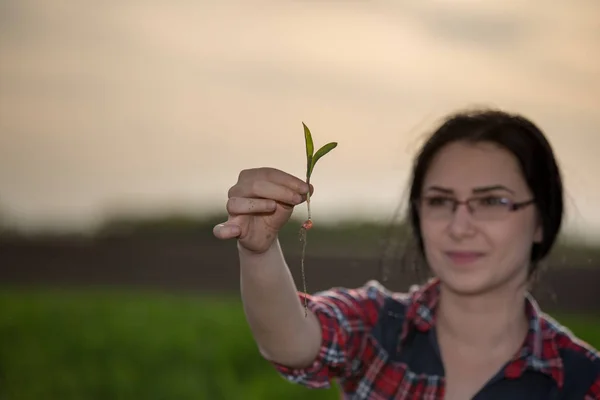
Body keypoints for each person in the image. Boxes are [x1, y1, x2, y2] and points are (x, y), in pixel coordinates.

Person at [213, 109, 600, 399]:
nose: (460, 226)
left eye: (492, 201)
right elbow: (293, 343)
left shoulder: (582, 381)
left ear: (541, 221)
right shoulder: (377, 327)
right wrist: (259, 251)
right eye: (439, 201)